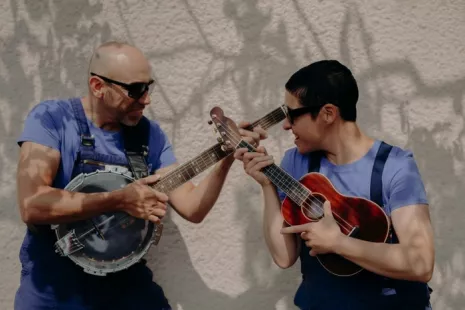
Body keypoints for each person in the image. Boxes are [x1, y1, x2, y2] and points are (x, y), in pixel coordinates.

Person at [14, 41, 264, 310]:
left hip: (125, 283)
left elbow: (192, 208)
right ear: (98, 87)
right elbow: (32, 204)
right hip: (55, 287)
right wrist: (119, 200)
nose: (147, 99)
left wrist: (225, 158)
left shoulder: (148, 135)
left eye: (148, 87)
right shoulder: (53, 119)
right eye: (136, 90)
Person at [234, 60, 435, 309]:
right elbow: (284, 256)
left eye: (293, 115)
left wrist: (338, 243)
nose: (286, 125)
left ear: (328, 113)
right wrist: (267, 185)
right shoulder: (296, 163)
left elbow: (421, 263)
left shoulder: (394, 167)